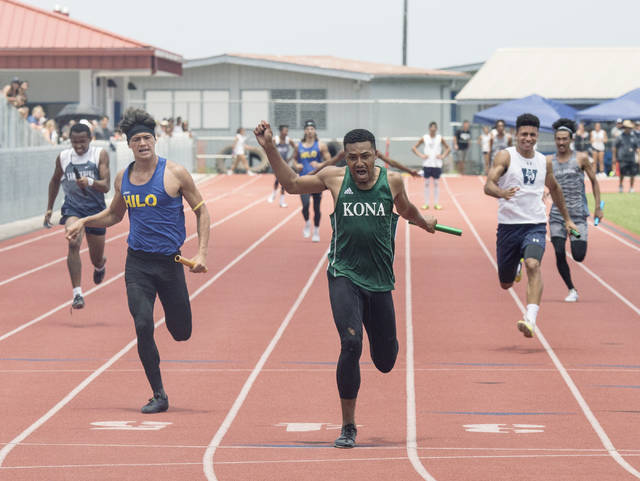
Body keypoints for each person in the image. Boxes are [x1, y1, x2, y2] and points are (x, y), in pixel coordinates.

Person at [254, 120, 437, 449]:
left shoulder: (392, 181)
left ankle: (383, 348)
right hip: (344, 274)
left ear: (376, 156)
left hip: (380, 281)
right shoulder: (334, 178)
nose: (359, 164)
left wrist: (425, 223)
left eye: (365, 157)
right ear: (345, 158)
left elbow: (407, 210)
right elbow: (293, 184)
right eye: (352, 158)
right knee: (350, 344)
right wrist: (268, 147)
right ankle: (348, 426)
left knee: (385, 361)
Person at [65, 108, 210, 413]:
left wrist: (202, 253)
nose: (142, 143)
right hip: (138, 265)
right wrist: (83, 221)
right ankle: (158, 394)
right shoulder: (124, 177)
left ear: (155, 140)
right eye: (137, 139)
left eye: (147, 137)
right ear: (129, 144)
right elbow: (115, 215)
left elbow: (202, 211)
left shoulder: (175, 173)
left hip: (171, 264)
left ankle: (176, 323)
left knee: (181, 332)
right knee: (143, 324)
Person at [484, 113, 577, 338]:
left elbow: (554, 189)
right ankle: (514, 267)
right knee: (505, 283)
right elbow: (488, 185)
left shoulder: (544, 161)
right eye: (524, 134)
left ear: (538, 136)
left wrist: (566, 218)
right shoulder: (505, 157)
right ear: (516, 135)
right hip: (509, 227)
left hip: (534, 224)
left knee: (534, 265)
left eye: (532, 135)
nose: (528, 138)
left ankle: (530, 319)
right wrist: (502, 193)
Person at [44, 123, 110, 309]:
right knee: (73, 242)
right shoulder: (64, 157)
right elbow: (55, 180)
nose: (78, 146)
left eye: (82, 141)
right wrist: (49, 208)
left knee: (95, 258)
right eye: (74, 142)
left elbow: (106, 186)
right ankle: (77, 294)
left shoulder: (99, 155)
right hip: (73, 209)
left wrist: (89, 181)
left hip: (96, 211)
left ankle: (100, 265)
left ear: (90, 139)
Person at [548, 118, 602, 302]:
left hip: (577, 217)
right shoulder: (549, 161)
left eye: (564, 139)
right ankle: (572, 289)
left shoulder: (581, 158)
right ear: (555, 140)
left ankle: (576, 239)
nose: (561, 142)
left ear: (570, 139)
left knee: (578, 255)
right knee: (559, 251)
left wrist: (598, 207)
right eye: (558, 139)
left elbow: (594, 181)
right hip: (557, 217)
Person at [293, 119, 331, 242]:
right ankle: (308, 223)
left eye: (312, 129)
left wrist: (320, 164)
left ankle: (316, 230)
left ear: (315, 131)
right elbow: (294, 160)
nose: (310, 131)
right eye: (308, 129)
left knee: (316, 208)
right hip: (303, 180)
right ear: (304, 131)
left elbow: (329, 161)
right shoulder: (299, 146)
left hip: (316, 181)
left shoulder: (321, 145)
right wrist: (296, 165)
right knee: (305, 206)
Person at [411, 121, 450, 210]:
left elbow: (448, 148)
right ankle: (426, 203)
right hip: (427, 164)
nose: (433, 130)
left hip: (437, 164)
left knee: (436, 183)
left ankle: (436, 203)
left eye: (434, 128)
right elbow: (414, 148)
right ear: (429, 129)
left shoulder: (439, 138)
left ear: (436, 129)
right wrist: (421, 155)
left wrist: (443, 156)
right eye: (431, 128)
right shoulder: (425, 138)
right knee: (427, 183)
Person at [269, 124, 297, 207]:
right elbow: (269, 149)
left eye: (287, 131)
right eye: (285, 131)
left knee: (284, 183)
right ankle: (274, 194)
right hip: (277, 164)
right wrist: (272, 159)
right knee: (277, 180)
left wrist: (291, 158)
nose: (286, 132)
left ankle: (281, 200)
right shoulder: (275, 140)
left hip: (285, 164)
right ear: (281, 131)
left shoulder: (288, 140)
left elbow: (296, 148)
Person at [613, 120, 640, 193]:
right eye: (627, 128)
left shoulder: (633, 137)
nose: (628, 129)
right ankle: (621, 185)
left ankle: (631, 187)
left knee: (633, 174)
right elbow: (615, 147)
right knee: (622, 173)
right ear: (624, 128)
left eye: (629, 128)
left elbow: (637, 148)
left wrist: (639, 156)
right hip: (622, 158)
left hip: (631, 158)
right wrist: (614, 157)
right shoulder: (620, 137)